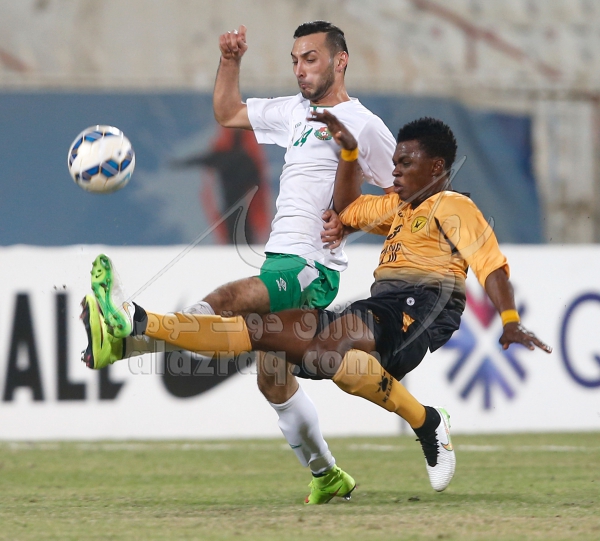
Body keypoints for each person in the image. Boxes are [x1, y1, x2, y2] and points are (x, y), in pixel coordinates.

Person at [82, 113, 551, 495]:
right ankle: (136, 321)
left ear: (436, 167)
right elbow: (348, 207)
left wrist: (509, 319)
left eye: (405, 163)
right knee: (267, 332)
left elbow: (492, 267)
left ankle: (426, 423)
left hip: (423, 305)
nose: (394, 172)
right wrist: (348, 154)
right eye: (394, 163)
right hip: (382, 306)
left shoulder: (453, 205)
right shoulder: (397, 207)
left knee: (333, 345)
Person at [80, 21, 397, 504]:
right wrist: (231, 60)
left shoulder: (364, 124)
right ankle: (327, 474)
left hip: (313, 267)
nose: (299, 69)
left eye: (310, 58)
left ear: (341, 61)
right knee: (273, 380)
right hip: (280, 258)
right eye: (294, 60)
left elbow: (404, 199)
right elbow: (228, 112)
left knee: (232, 299)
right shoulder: (294, 111)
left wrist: (351, 225)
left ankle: (132, 331)